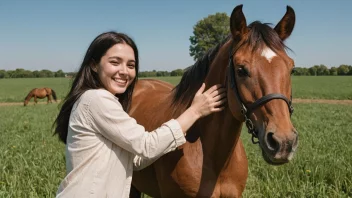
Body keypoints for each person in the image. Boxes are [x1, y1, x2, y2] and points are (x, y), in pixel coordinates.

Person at [53, 31, 226, 198]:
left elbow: (135, 160)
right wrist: (195, 111)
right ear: (93, 65)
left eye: (131, 65)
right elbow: (146, 146)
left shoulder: (101, 101)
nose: (124, 71)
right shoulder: (96, 99)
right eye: (115, 62)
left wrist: (177, 136)